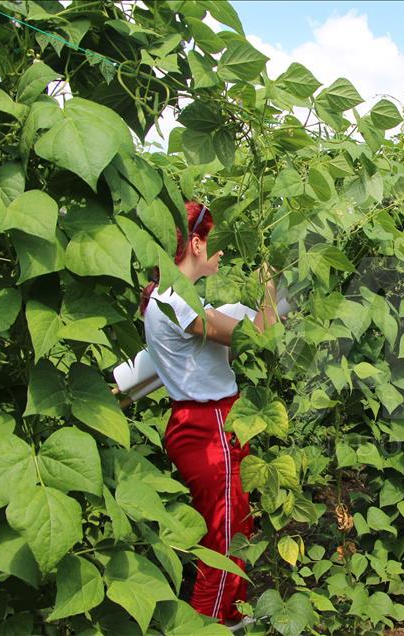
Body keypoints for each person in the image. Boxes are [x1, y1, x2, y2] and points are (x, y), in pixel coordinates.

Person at [139, 201, 279, 624]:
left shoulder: (167, 297)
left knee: (233, 525)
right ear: (196, 243)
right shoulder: (177, 302)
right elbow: (261, 336)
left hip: (199, 422)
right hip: (210, 425)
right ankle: (209, 626)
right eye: (217, 244)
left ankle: (231, 618)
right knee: (225, 539)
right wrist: (270, 286)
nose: (222, 254)